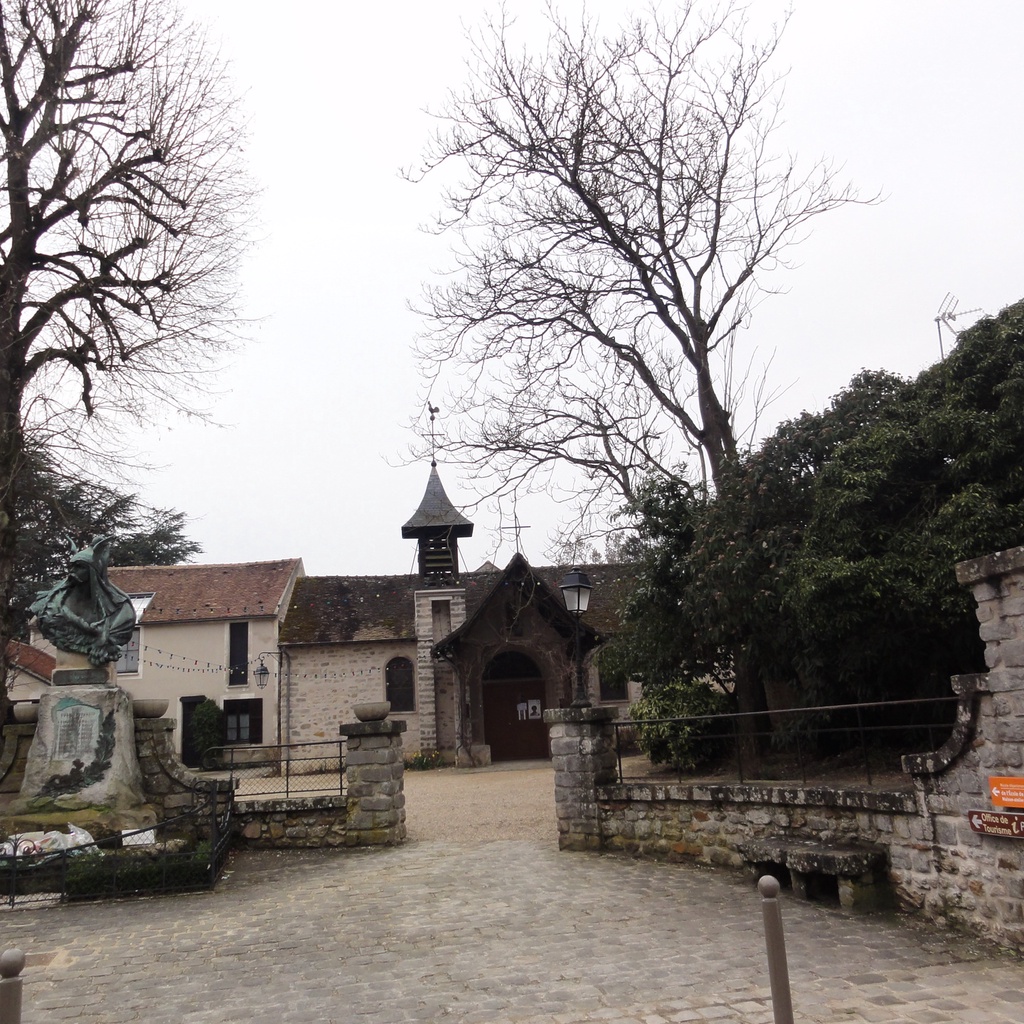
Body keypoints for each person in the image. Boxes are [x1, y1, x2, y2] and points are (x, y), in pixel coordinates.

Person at [30, 535, 136, 666]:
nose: (73, 572)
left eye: (80, 567)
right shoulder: (50, 603)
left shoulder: (122, 611)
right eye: (72, 566)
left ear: (93, 573)